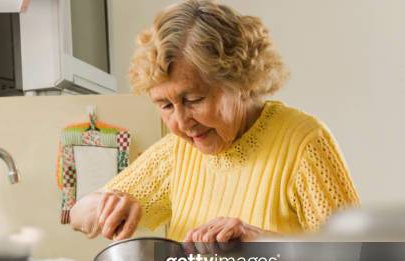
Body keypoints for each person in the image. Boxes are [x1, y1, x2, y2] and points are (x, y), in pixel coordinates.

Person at [70, 0, 359, 243]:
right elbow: (78, 214)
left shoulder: (303, 144)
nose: (181, 122)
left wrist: (261, 243)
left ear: (241, 81)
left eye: (194, 100)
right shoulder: (176, 153)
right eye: (166, 105)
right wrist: (105, 205)